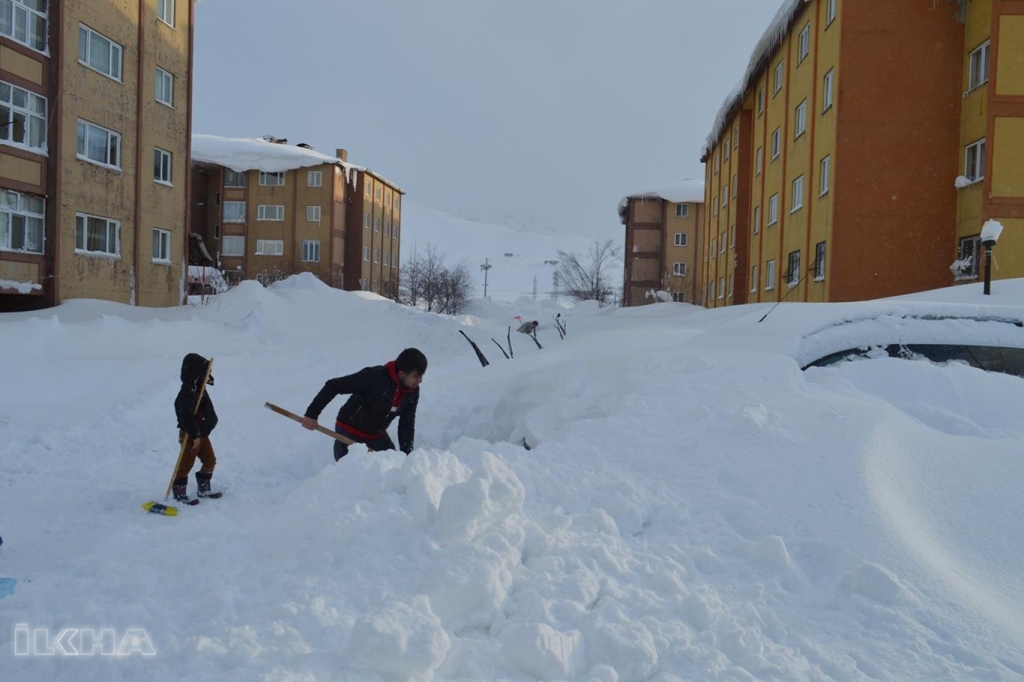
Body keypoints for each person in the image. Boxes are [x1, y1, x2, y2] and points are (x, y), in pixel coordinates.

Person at [302, 348, 426, 461]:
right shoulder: (374, 377)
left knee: (393, 466)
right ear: (401, 374)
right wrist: (311, 414)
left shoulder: (412, 391)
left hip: (376, 434)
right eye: (416, 376)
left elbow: (407, 424)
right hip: (349, 430)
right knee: (351, 475)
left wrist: (408, 458)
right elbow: (333, 386)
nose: (420, 381)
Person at [172, 353, 220, 504]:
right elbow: (185, 417)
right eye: (203, 373)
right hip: (190, 436)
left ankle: (203, 488)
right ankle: (179, 493)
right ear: (194, 375)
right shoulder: (185, 395)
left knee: (210, 461)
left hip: (202, 434)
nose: (207, 376)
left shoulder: (200, 390)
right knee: (185, 464)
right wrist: (195, 434)